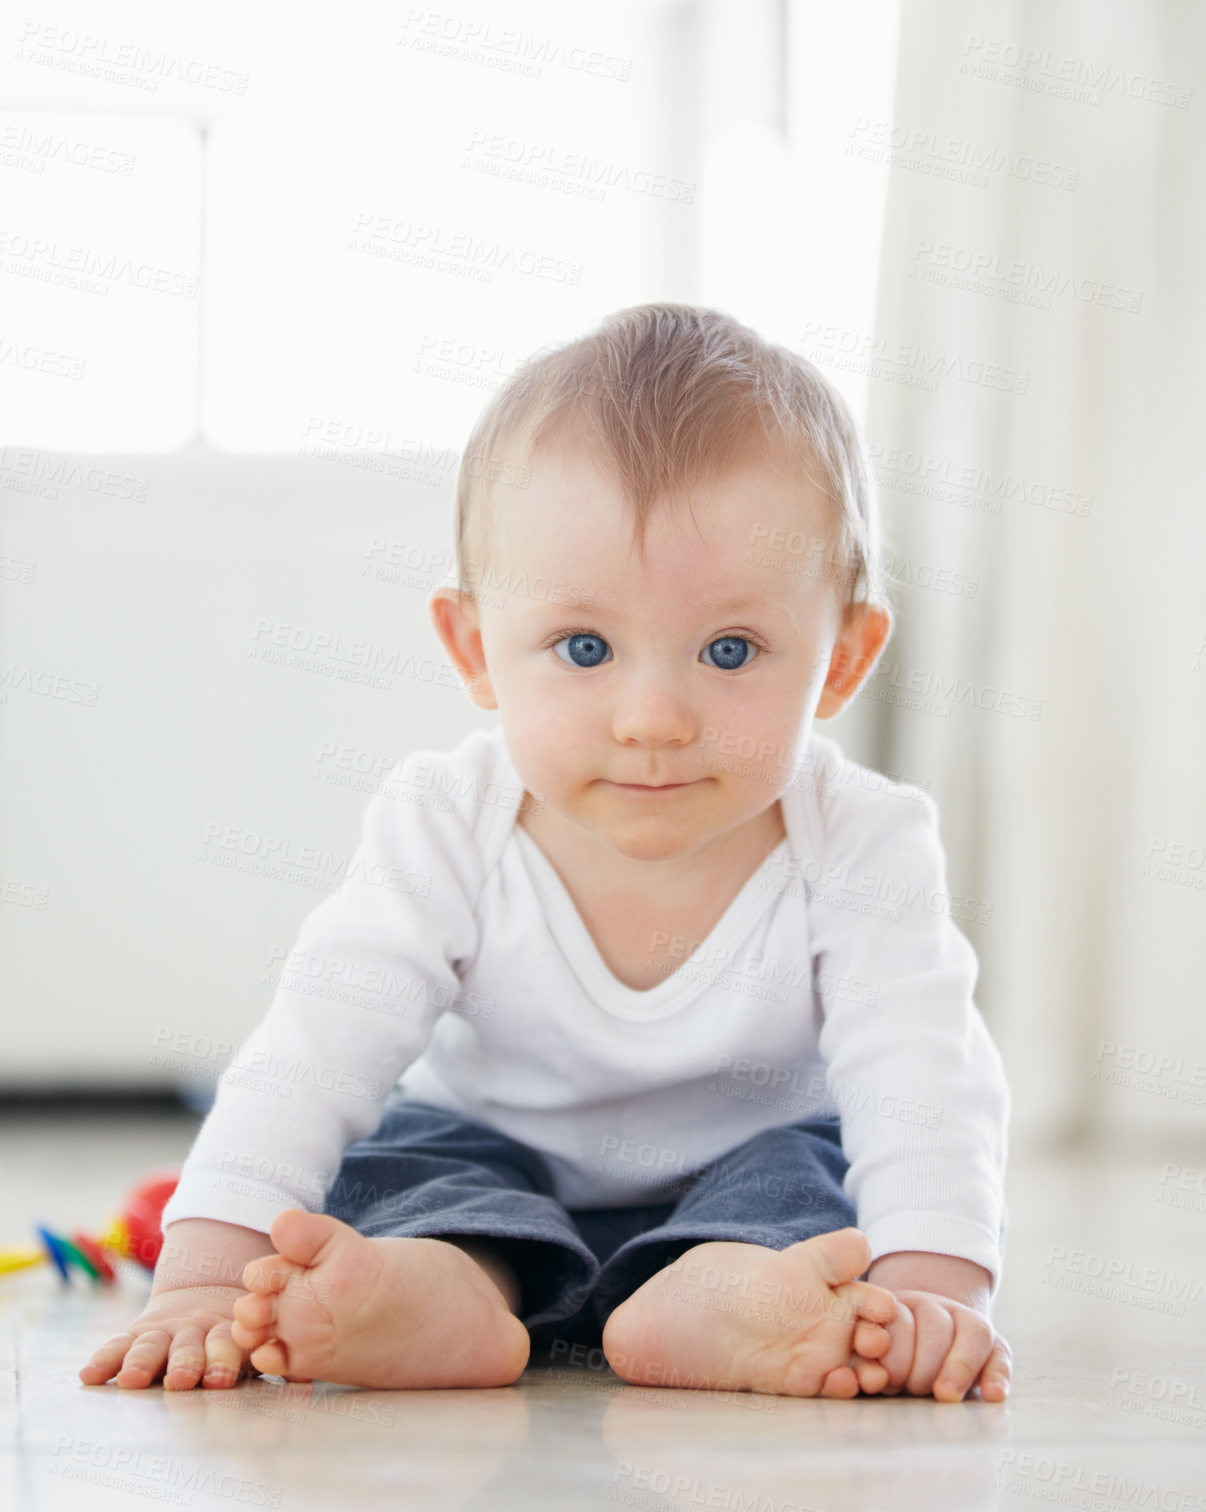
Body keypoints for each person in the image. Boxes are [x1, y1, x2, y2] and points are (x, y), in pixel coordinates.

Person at [80, 303, 1011, 1402]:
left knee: (820, 1187)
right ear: (476, 648)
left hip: (750, 1183)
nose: (653, 716)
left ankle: (711, 1299)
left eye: (730, 650)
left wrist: (932, 1297)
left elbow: (921, 1079)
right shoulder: (446, 819)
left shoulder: (860, 839)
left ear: (843, 658)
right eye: (584, 648)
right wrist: (204, 1273)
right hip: (486, 1158)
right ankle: (441, 1293)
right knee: (391, 1174)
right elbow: (315, 1045)